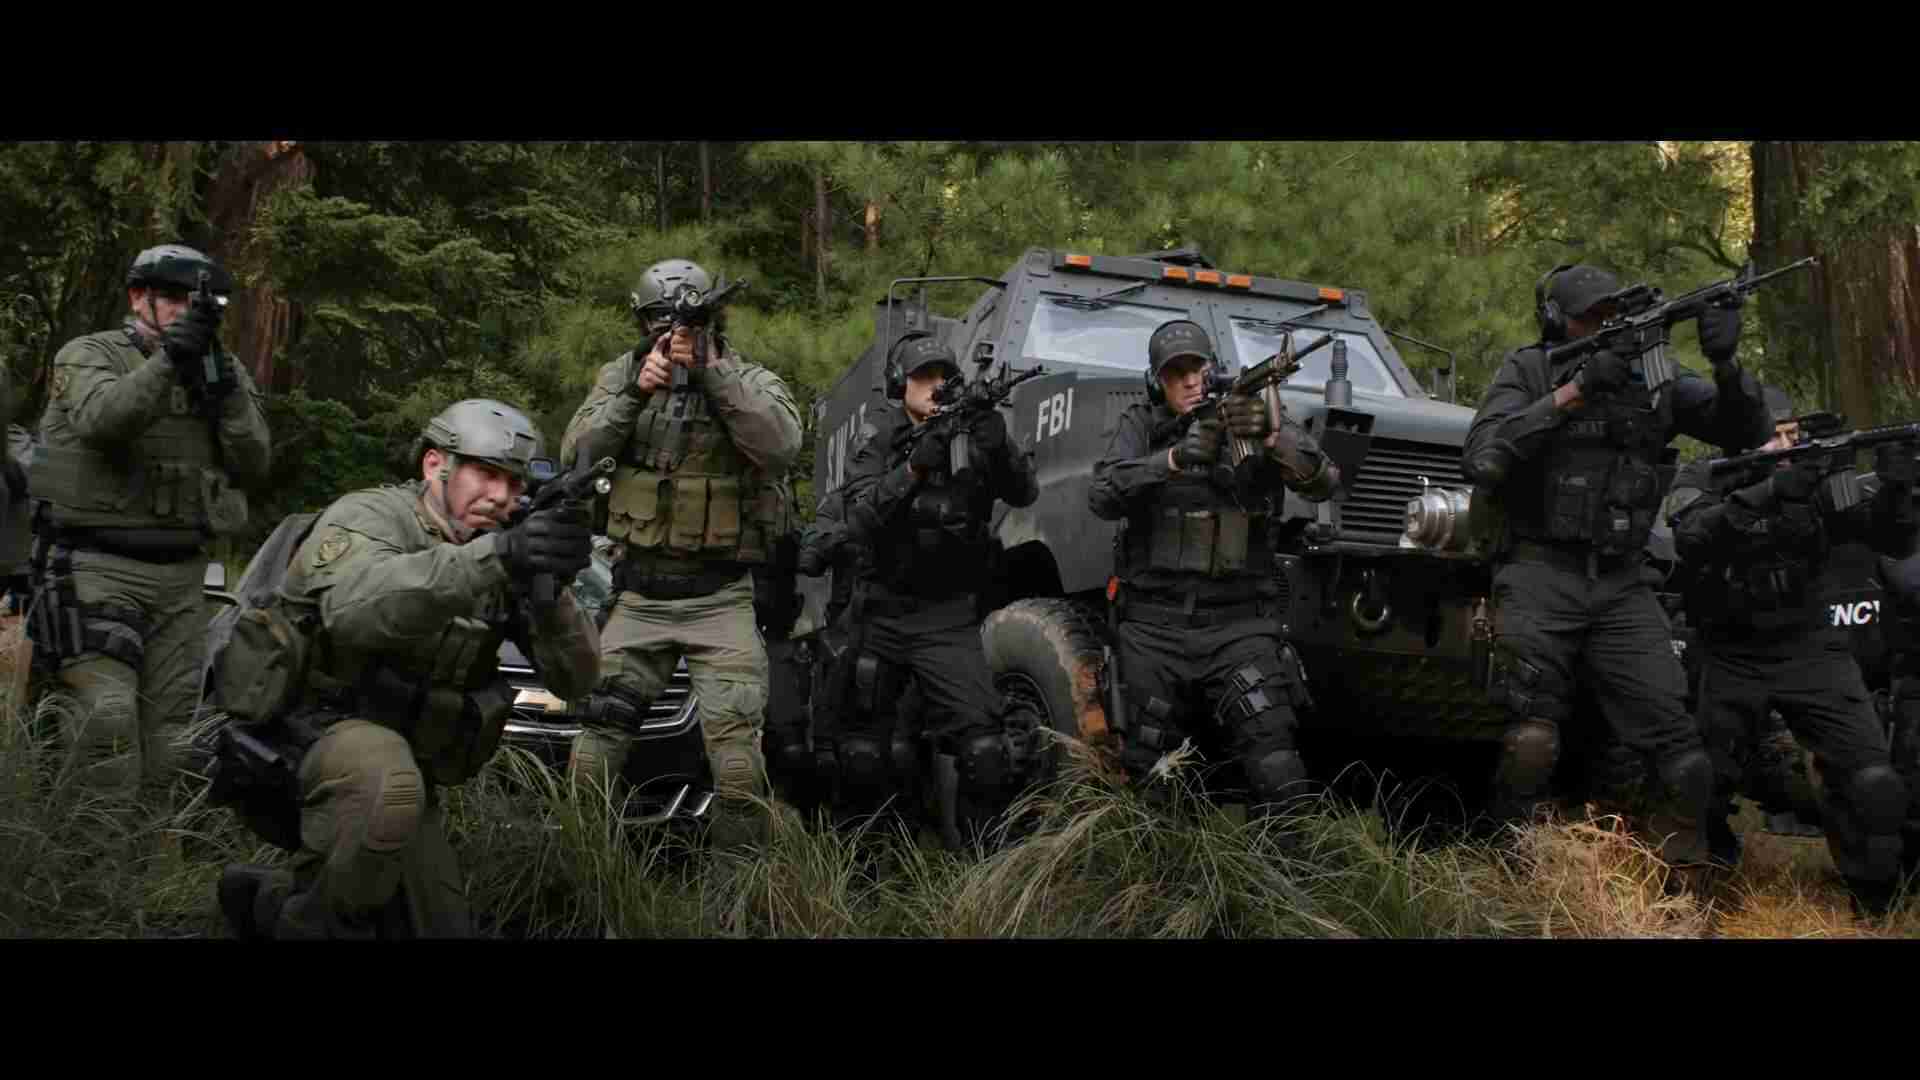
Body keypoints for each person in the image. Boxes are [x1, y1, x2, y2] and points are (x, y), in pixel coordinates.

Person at [214, 399, 599, 938]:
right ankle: (300, 924)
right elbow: (355, 612)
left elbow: (577, 679)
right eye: (486, 473)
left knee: (442, 928)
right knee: (388, 792)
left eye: (514, 483)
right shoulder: (370, 516)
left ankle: (265, 899)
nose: (501, 495)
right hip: (307, 735)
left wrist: (550, 587)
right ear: (435, 465)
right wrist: (499, 556)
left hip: (407, 771)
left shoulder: (502, 546)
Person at [1461, 262, 1769, 867]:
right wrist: (1577, 390)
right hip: (1539, 570)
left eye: (1613, 315)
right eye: (1591, 317)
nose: (1604, 326)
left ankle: (1679, 887)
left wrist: (1727, 364)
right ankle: (1508, 869)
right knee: (1531, 740)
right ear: (1557, 320)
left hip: (1622, 582)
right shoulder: (1531, 369)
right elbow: (1483, 456)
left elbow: (1745, 434)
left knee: (1684, 756)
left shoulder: (1653, 375)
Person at [561, 258, 801, 844]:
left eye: (685, 322)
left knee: (738, 770)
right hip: (638, 596)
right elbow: (576, 457)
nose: (670, 332)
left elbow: (779, 447)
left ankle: (738, 885)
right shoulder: (620, 376)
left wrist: (714, 376)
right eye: (657, 321)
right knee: (592, 756)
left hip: (720, 599)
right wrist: (634, 392)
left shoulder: (748, 379)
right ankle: (581, 874)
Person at [25, 243, 271, 797]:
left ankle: (149, 854)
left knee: (173, 746)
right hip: (94, 567)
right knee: (105, 725)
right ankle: (84, 852)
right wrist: (169, 360)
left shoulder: (220, 369)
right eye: (175, 298)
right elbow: (103, 419)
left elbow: (255, 460)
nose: (188, 310)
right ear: (139, 297)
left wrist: (226, 394)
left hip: (181, 577)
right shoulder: (90, 354)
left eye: (199, 303)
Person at [1666, 384, 1915, 912]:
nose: (1786, 445)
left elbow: (1887, 539)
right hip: (1731, 653)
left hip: (1811, 649)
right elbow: (1692, 537)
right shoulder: (1705, 475)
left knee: (1875, 781)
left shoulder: (1816, 477)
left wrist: (1895, 489)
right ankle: (1696, 894)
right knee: (1699, 779)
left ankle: (1877, 902)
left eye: (1792, 435)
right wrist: (1769, 489)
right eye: (1774, 436)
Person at [1088, 319, 1336, 817]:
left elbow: (1324, 480)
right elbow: (1102, 494)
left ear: (1212, 370)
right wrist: (1172, 460)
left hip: (1239, 627)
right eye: (1174, 373)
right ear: (1157, 381)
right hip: (1154, 630)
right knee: (1150, 780)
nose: (1188, 381)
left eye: (1196, 369)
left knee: (1278, 771)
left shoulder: (1256, 416)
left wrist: (1270, 435)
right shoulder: (1141, 423)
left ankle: (1283, 866)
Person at [837, 332, 1037, 845]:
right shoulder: (880, 434)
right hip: (881, 614)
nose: (934, 385)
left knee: (987, 752)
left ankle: (981, 870)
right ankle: (864, 867)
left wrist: (999, 445)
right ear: (899, 384)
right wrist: (914, 467)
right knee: (863, 755)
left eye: (943, 376)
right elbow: (859, 519)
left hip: (947, 617)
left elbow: (1024, 493)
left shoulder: (973, 433)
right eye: (922, 376)